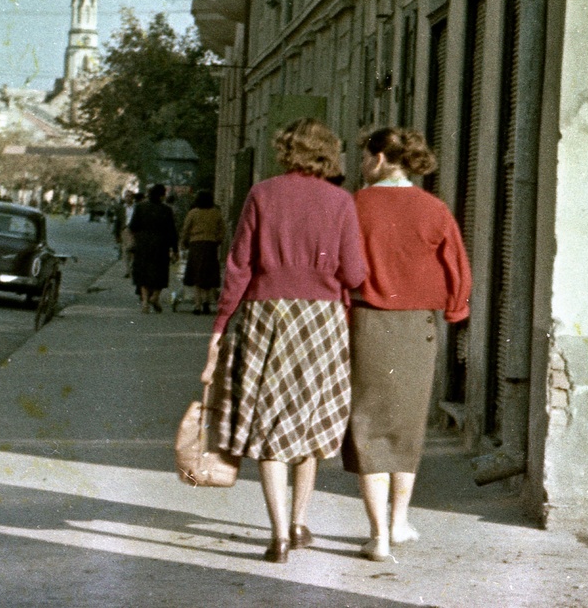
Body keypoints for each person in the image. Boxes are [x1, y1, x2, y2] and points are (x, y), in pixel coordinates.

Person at [201, 117, 367, 564]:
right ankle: (298, 523)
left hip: (265, 315)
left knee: (269, 423)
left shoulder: (262, 194)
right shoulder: (341, 201)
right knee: (309, 422)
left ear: (285, 149)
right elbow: (354, 274)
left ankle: (275, 536)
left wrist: (219, 328)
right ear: (328, 153)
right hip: (321, 320)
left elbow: (238, 267)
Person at [348, 127, 472, 562]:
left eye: (365, 155)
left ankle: (377, 534)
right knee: (407, 424)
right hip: (419, 327)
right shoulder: (434, 209)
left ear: (379, 158)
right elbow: (457, 265)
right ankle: (399, 523)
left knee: (368, 426)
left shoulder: (356, 205)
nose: (362, 163)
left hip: (366, 324)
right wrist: (455, 311)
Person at [128, 183, 179, 313]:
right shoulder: (166, 210)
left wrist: (135, 240)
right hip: (161, 245)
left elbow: (133, 226)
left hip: (143, 245)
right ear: (162, 195)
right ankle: (155, 297)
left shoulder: (140, 207)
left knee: (143, 273)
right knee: (160, 273)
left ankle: (145, 302)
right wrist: (175, 249)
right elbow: (172, 231)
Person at [180, 190, 226, 314]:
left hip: (196, 245)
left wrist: (183, 242)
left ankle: (197, 304)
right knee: (207, 274)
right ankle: (206, 301)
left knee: (196, 274)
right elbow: (222, 228)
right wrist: (218, 240)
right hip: (211, 245)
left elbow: (186, 229)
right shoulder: (216, 213)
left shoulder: (193, 213)